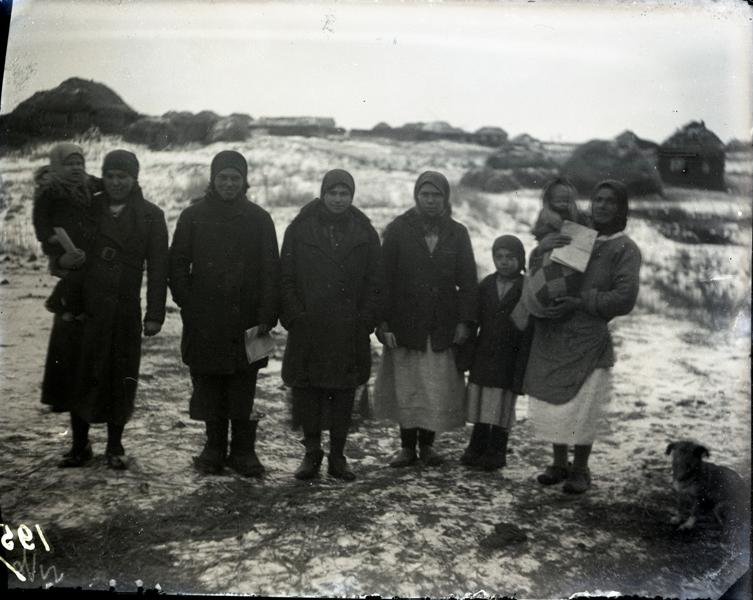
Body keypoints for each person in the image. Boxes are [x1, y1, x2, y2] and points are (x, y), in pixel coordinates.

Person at [523, 179, 641, 494]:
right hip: (554, 331)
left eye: (610, 201)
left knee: (583, 405)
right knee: (555, 403)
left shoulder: (624, 248)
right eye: (598, 199)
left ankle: (580, 469)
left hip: (588, 337)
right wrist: (541, 249)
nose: (602, 205)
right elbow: (540, 273)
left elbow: (624, 297)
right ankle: (559, 463)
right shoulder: (575, 234)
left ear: (621, 208)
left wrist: (583, 301)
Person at [169, 150, 279, 477]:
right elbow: (177, 264)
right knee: (208, 381)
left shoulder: (259, 219)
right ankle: (213, 447)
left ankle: (244, 452)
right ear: (212, 180)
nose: (229, 184)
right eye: (223, 178)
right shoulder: (192, 216)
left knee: (244, 382)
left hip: (248, 318)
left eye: (235, 178)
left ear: (244, 181)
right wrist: (188, 301)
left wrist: (266, 313)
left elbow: (271, 270)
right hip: (205, 318)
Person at [66, 149, 169, 470]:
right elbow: (65, 249)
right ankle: (79, 445)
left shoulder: (151, 215)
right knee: (81, 373)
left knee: (120, 375)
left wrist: (154, 314)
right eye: (110, 176)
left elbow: (158, 269)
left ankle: (115, 444)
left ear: (135, 178)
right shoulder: (88, 207)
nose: (115, 183)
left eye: (123, 176)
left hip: (125, 308)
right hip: (86, 304)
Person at [280, 169, 382, 481]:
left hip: (347, 330)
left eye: (344, 194)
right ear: (323, 194)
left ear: (352, 196)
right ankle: (312, 453)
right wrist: (296, 317)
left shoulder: (365, 232)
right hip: (309, 328)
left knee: (342, 394)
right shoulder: (300, 228)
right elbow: (286, 278)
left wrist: (364, 320)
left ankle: (338, 455)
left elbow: (375, 283)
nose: (338, 200)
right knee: (307, 392)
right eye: (333, 193)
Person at [374, 171, 478, 467]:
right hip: (405, 324)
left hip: (441, 323)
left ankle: (428, 446)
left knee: (434, 386)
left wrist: (464, 322)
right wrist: (383, 323)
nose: (431, 201)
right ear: (416, 196)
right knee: (408, 387)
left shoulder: (457, 233)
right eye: (425, 195)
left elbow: (469, 281)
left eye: (437, 196)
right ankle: (407, 447)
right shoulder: (398, 230)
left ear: (446, 199)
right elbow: (383, 280)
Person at [461, 235, 531, 471]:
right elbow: (474, 318)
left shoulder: (526, 287)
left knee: (501, 403)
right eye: (499, 257)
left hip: (510, 353)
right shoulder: (487, 284)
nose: (504, 262)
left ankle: (497, 450)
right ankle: (476, 446)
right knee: (482, 401)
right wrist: (469, 350)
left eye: (510, 257)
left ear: (520, 259)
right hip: (485, 351)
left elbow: (528, 325)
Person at [32, 143, 101, 320]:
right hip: (60, 240)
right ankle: (64, 304)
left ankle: (69, 306)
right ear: (57, 165)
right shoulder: (50, 190)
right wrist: (48, 236)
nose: (76, 168)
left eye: (79, 164)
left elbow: (104, 184)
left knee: (85, 269)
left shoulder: (87, 183)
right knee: (76, 270)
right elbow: (40, 217)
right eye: (70, 164)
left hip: (82, 238)